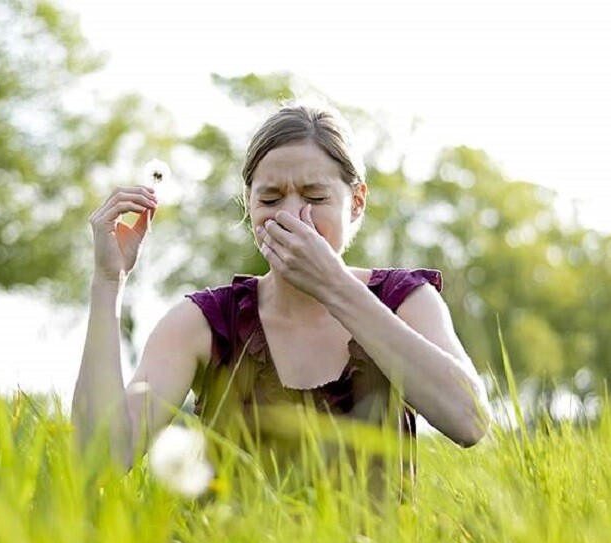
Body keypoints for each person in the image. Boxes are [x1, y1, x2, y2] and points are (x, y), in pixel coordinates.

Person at [72, 101, 492, 498]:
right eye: (270, 199)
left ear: (357, 202)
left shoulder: (406, 301)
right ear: (248, 204)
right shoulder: (203, 322)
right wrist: (108, 282)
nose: (290, 216)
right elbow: (101, 462)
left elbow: (469, 422)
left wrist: (334, 286)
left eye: (315, 197)